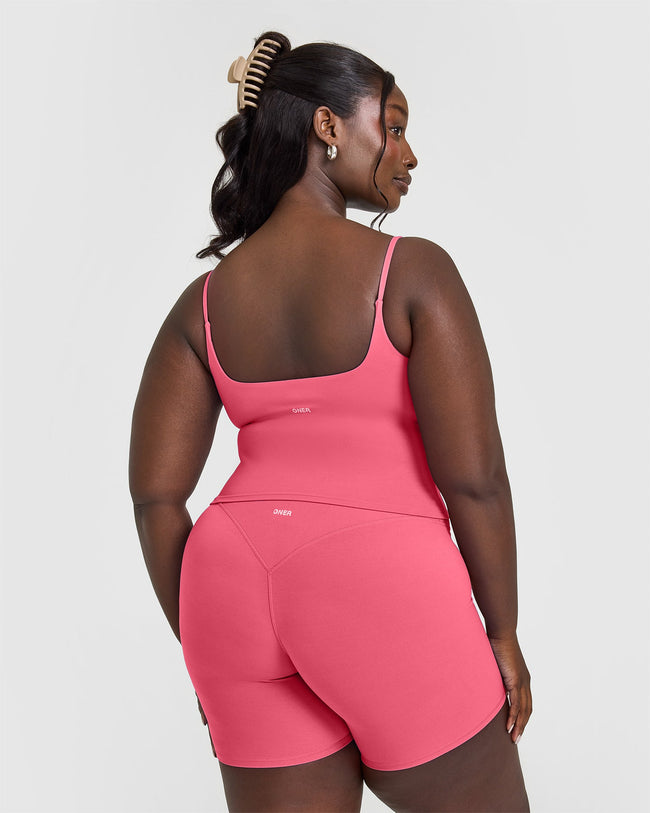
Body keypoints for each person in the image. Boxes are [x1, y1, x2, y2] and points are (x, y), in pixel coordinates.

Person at [129, 30, 532, 812]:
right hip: (378, 579)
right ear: (327, 126)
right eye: (395, 126)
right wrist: (503, 629)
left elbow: (155, 498)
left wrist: (212, 642)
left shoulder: (202, 303)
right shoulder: (412, 272)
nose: (409, 155)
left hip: (227, 586)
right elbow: (476, 478)